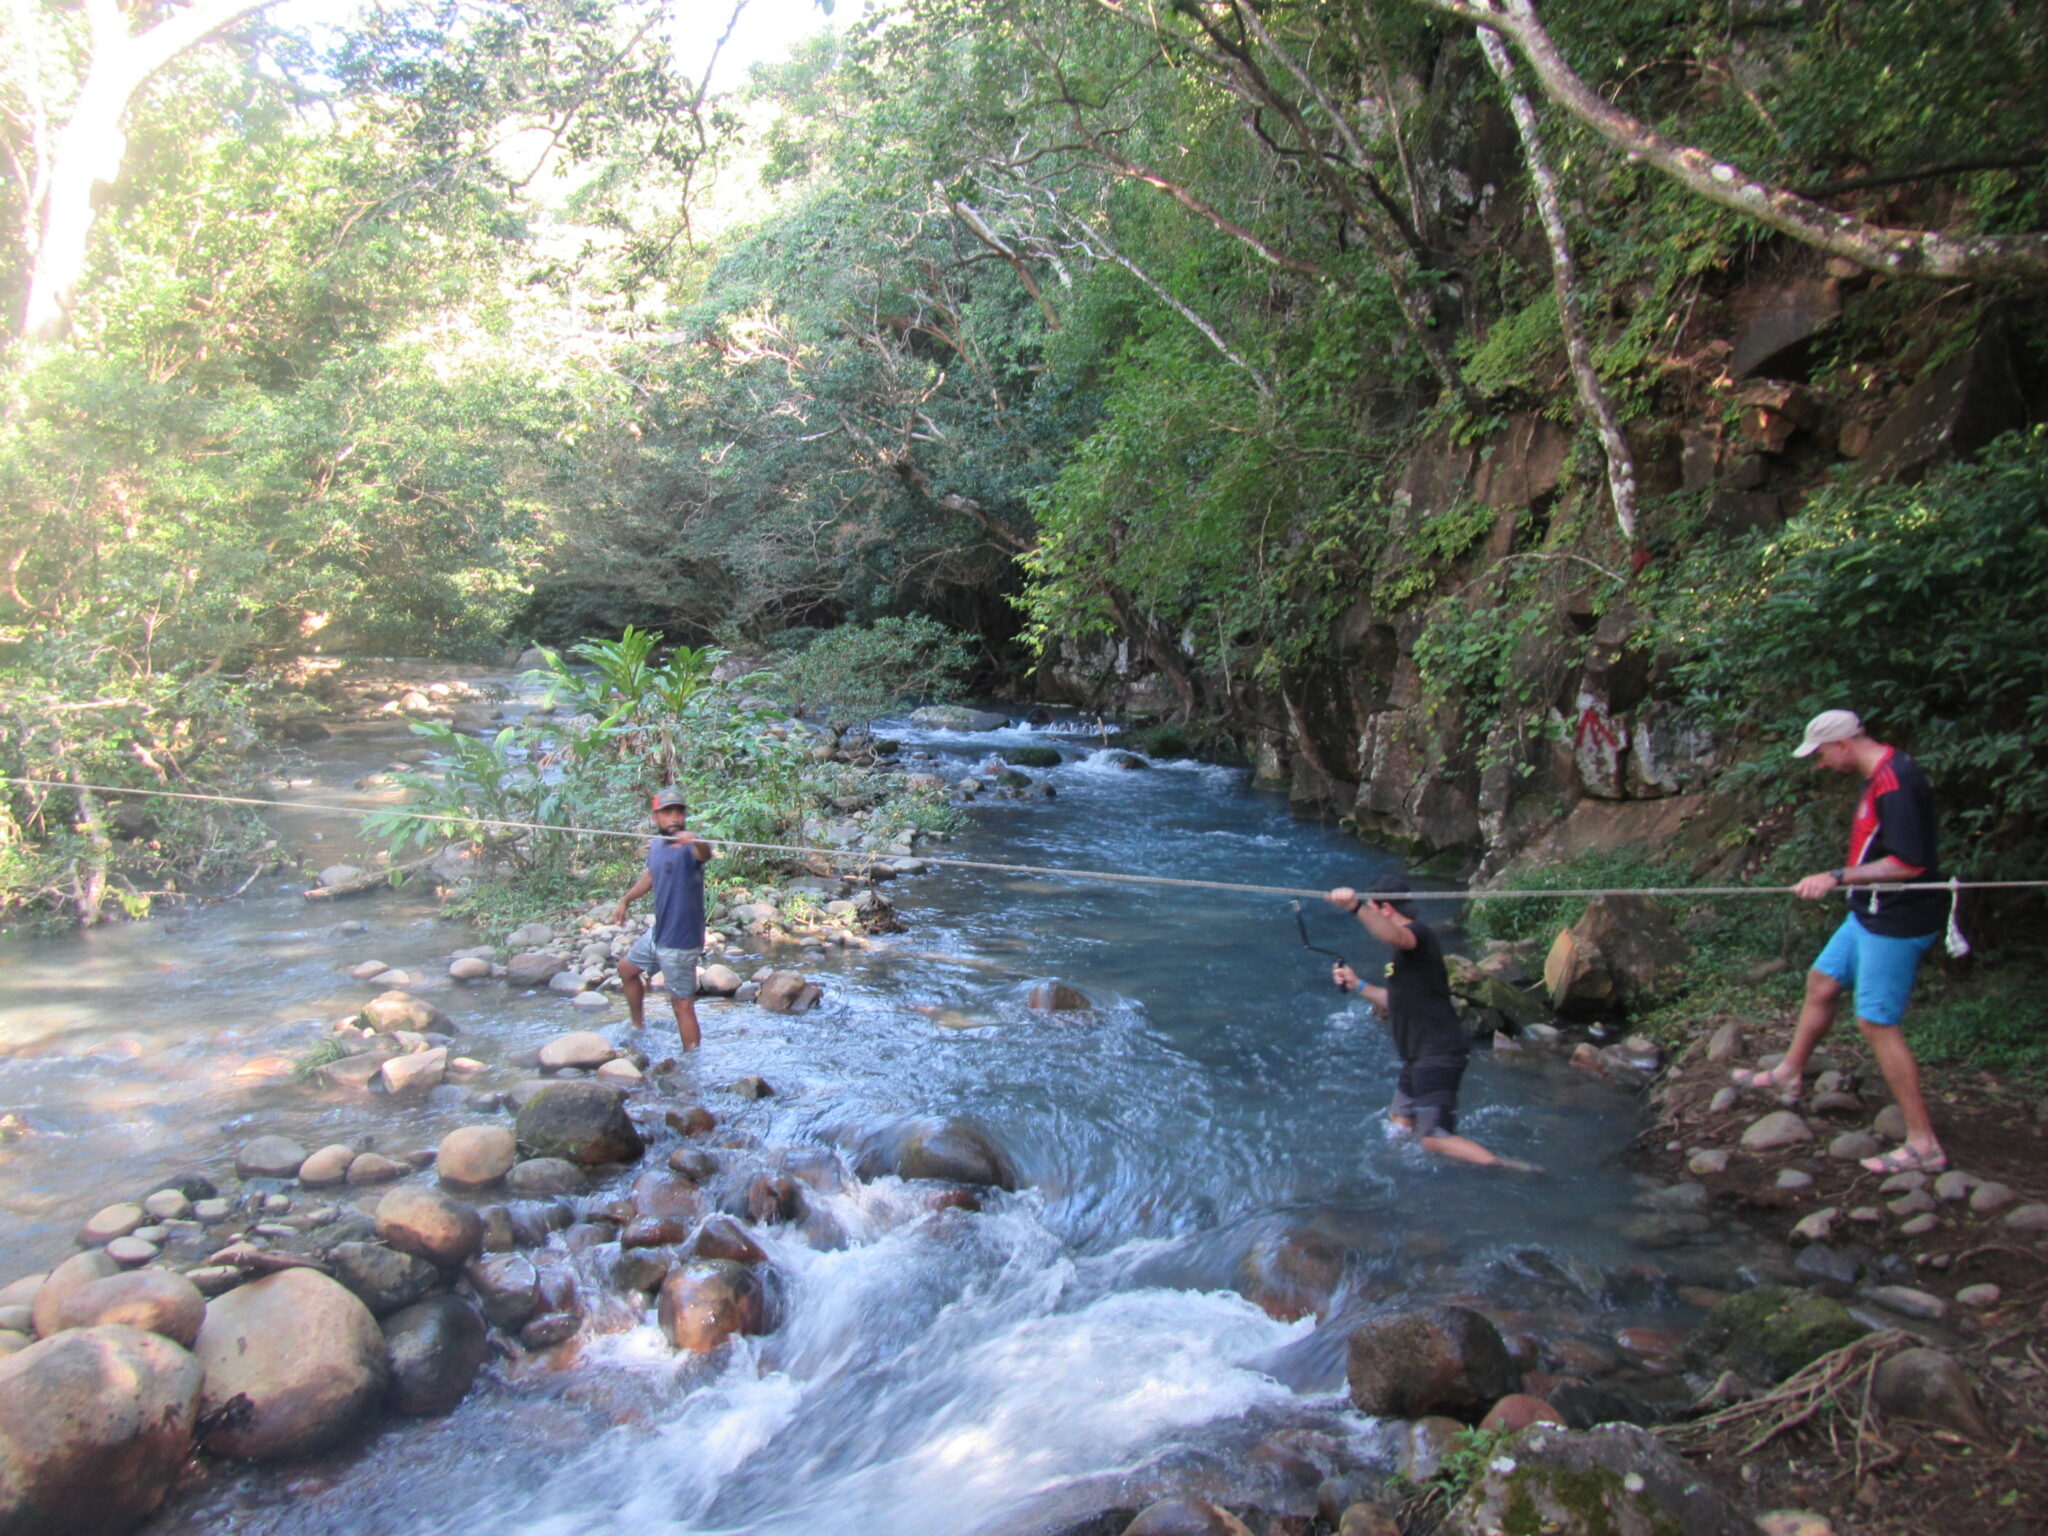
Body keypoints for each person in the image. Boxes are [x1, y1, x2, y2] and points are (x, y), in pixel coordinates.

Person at [1731, 709, 1948, 1174]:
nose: (1821, 764)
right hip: (1869, 911)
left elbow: (1909, 865)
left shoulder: (1896, 783)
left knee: (1876, 1023)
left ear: (1844, 744)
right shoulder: (1881, 774)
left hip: (1897, 918)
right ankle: (1788, 1074)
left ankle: (1923, 1143)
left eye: (1823, 754)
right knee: (1823, 980)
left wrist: (1835, 876)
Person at [1329, 874, 1533, 1169]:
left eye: (1373, 910)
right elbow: (1396, 1002)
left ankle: (1511, 1168)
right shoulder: (1403, 955)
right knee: (1399, 1124)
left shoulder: (1417, 935)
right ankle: (1401, 1178)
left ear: (1385, 910)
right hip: (1418, 1055)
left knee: (1435, 1137)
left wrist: (1355, 907)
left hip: (1437, 1052)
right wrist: (1358, 984)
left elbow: (1394, 935)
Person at [613, 786, 715, 1049]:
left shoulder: (691, 846)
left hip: (681, 941)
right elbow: (651, 876)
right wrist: (626, 900)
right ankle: (638, 1026)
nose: (675, 818)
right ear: (656, 816)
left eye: (679, 813)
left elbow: (705, 853)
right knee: (627, 969)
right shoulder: (658, 844)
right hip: (660, 933)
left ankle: (692, 1062)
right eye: (668, 812)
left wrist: (695, 839)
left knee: (681, 1005)